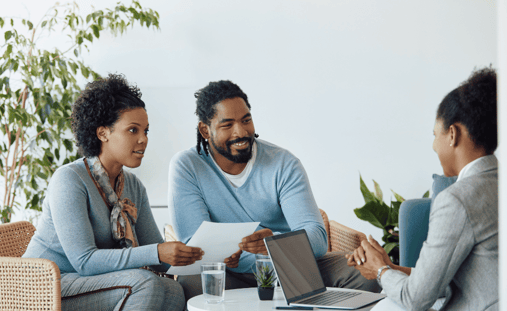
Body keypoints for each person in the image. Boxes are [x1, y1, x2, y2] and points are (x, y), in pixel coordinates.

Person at [168, 80, 380, 300]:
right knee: (191, 282)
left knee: (365, 273)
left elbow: (317, 238)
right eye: (227, 125)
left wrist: (274, 243)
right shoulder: (187, 166)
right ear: (205, 130)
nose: (240, 132)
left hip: (291, 263)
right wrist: (236, 255)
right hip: (230, 272)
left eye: (246, 120)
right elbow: (194, 243)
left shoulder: (283, 163)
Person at [23, 74, 203, 311]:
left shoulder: (133, 186)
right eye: (132, 130)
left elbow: (159, 258)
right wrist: (158, 253)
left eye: (146, 131)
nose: (143, 140)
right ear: (103, 133)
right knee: (144, 284)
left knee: (175, 290)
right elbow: (85, 261)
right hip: (46, 285)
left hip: (89, 282)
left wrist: (200, 256)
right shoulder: (69, 180)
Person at [346, 67, 498, 310]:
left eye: (434, 134)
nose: (434, 146)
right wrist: (390, 268)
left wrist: (380, 271)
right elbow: (446, 278)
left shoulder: (457, 200)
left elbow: (415, 300)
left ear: (452, 134)